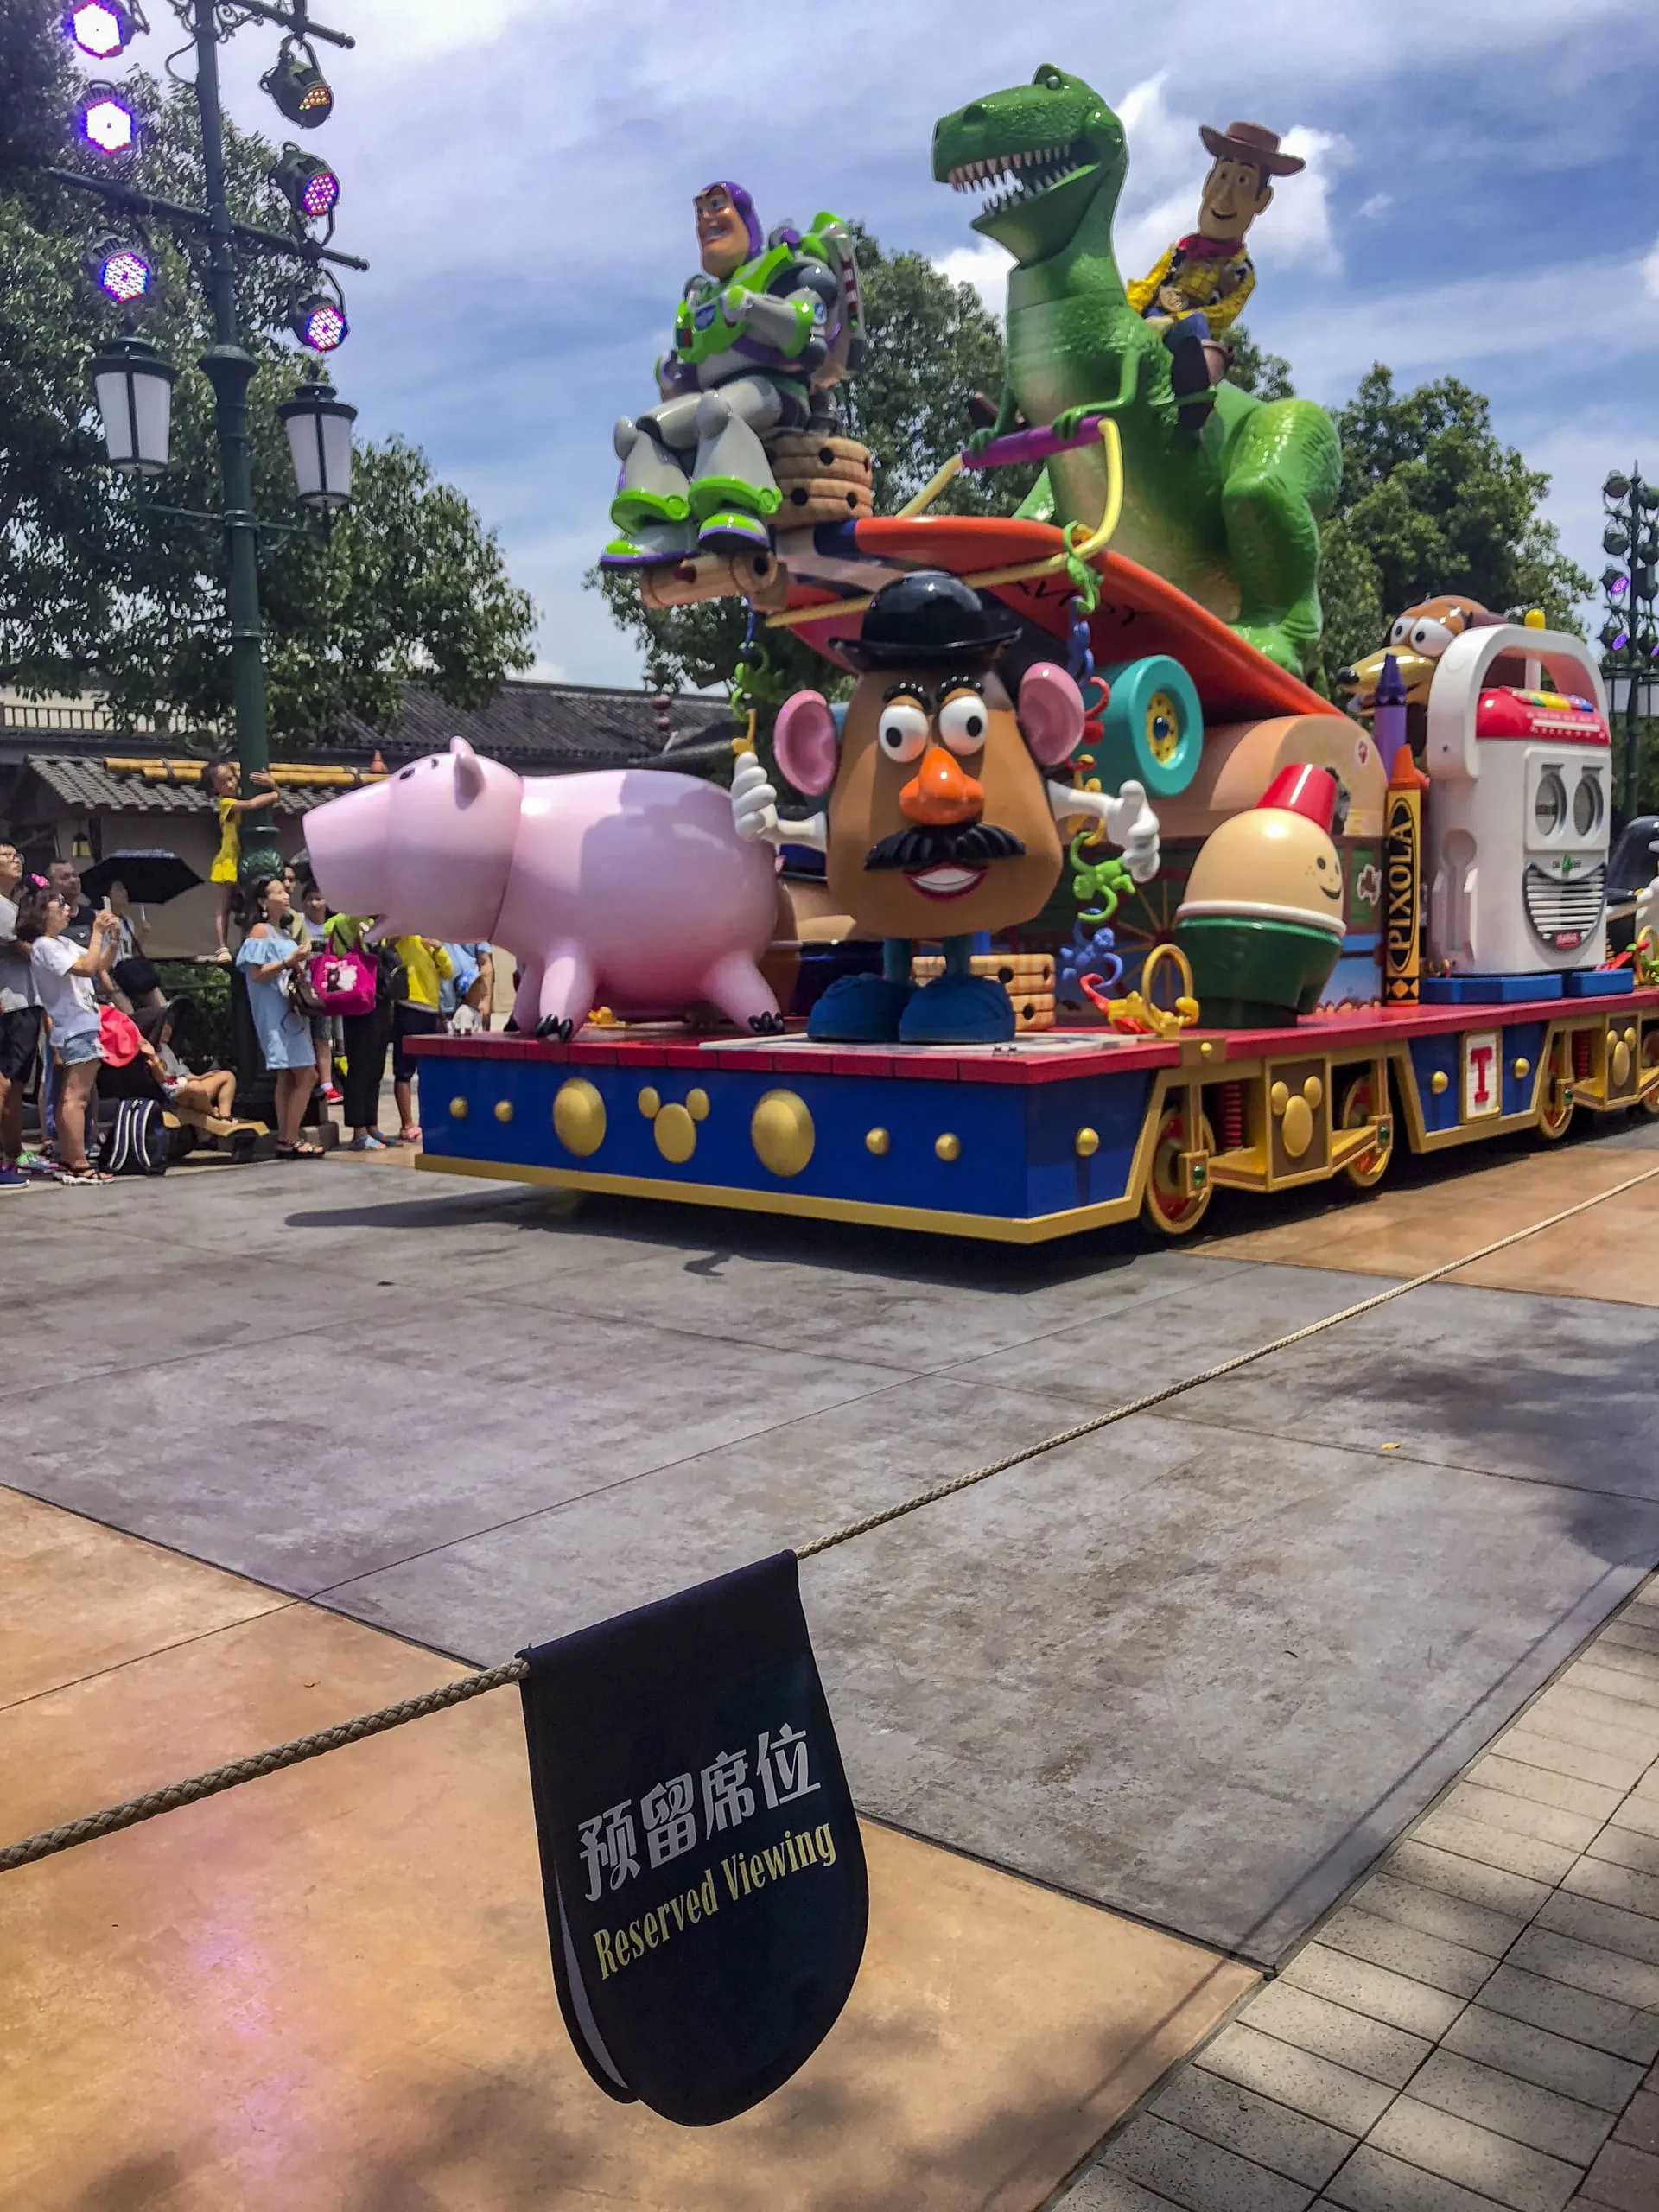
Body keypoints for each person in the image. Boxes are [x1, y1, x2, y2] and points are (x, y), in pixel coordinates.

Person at [1125, 119, 1305, 435]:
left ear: (1261, 200)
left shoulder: (1242, 272)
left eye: (1243, 182)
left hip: (1188, 329)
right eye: (1221, 178)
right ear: (1207, 183)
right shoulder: (1180, 249)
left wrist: (1175, 321)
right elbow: (1152, 281)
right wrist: (1127, 310)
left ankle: (1191, 406)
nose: (1224, 196)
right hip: (1152, 315)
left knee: (1198, 334)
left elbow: (1223, 313)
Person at [15, 879, 120, 1181]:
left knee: (70, 1096)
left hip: (77, 1025)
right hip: (75, 1026)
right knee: (77, 1098)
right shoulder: (45, 946)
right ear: (42, 914)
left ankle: (69, 1157)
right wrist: (98, 931)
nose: (65, 908)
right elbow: (86, 969)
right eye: (58, 904)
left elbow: (97, 964)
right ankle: (79, 1162)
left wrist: (111, 940)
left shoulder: (61, 943)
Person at [236, 874, 325, 1158]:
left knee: (287, 1077)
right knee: (307, 1074)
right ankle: (291, 1137)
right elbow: (256, 973)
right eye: (277, 892)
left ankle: (287, 1139)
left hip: (290, 1012)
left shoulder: (283, 933)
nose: (286, 895)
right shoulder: (260, 932)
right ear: (263, 901)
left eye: (285, 891)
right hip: (277, 1014)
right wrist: (290, 961)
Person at [324, 912, 392, 1149]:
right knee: (360, 1068)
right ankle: (358, 1130)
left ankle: (372, 1124)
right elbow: (343, 934)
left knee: (375, 1068)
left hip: (380, 999)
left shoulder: (374, 923)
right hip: (359, 1002)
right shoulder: (345, 921)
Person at [202, 754, 281, 961]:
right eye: (223, 782)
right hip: (228, 860)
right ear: (215, 789)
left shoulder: (235, 797)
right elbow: (253, 804)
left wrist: (274, 786)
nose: (230, 784)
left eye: (231, 778)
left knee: (245, 903)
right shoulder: (226, 803)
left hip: (240, 858)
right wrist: (274, 794)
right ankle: (222, 947)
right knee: (224, 905)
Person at [0, 843, 41, 1192]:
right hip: (9, 1005)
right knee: (3, 1084)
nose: (17, 860)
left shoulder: (13, 906)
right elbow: (24, 951)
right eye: (7, 856)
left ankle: (12, 1155)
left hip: (24, 1004)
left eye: (18, 856)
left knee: (15, 1087)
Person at [391, 935, 454, 1144]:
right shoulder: (404, 937)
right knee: (404, 1069)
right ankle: (407, 1124)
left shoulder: (429, 941)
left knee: (429, 1069)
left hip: (431, 1010)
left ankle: (429, 1121)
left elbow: (448, 972)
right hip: (408, 1006)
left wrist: (437, 948)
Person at [134, 1001, 238, 1122]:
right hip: (172, 1098)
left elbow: (181, 1074)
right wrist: (153, 1059)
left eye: (169, 1024)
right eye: (163, 1025)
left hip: (189, 1090)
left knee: (227, 1076)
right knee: (195, 1087)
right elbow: (163, 1081)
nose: (169, 1029)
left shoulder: (166, 1048)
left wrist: (200, 1077)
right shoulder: (148, 1054)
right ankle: (214, 1116)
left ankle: (225, 1115)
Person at [299, 880, 342, 1103]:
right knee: (305, 1035)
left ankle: (327, 1083)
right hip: (304, 990)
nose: (315, 903)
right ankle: (311, 1079)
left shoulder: (334, 926)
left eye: (319, 898)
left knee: (323, 1037)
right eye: (310, 899)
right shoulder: (299, 925)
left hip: (328, 989)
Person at [107, 879, 165, 1009]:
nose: (125, 893)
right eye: (119, 889)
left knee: (162, 1007)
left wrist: (143, 935)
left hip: (130, 971)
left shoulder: (127, 921)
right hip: (113, 974)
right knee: (128, 1014)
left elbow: (132, 952)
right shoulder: (100, 920)